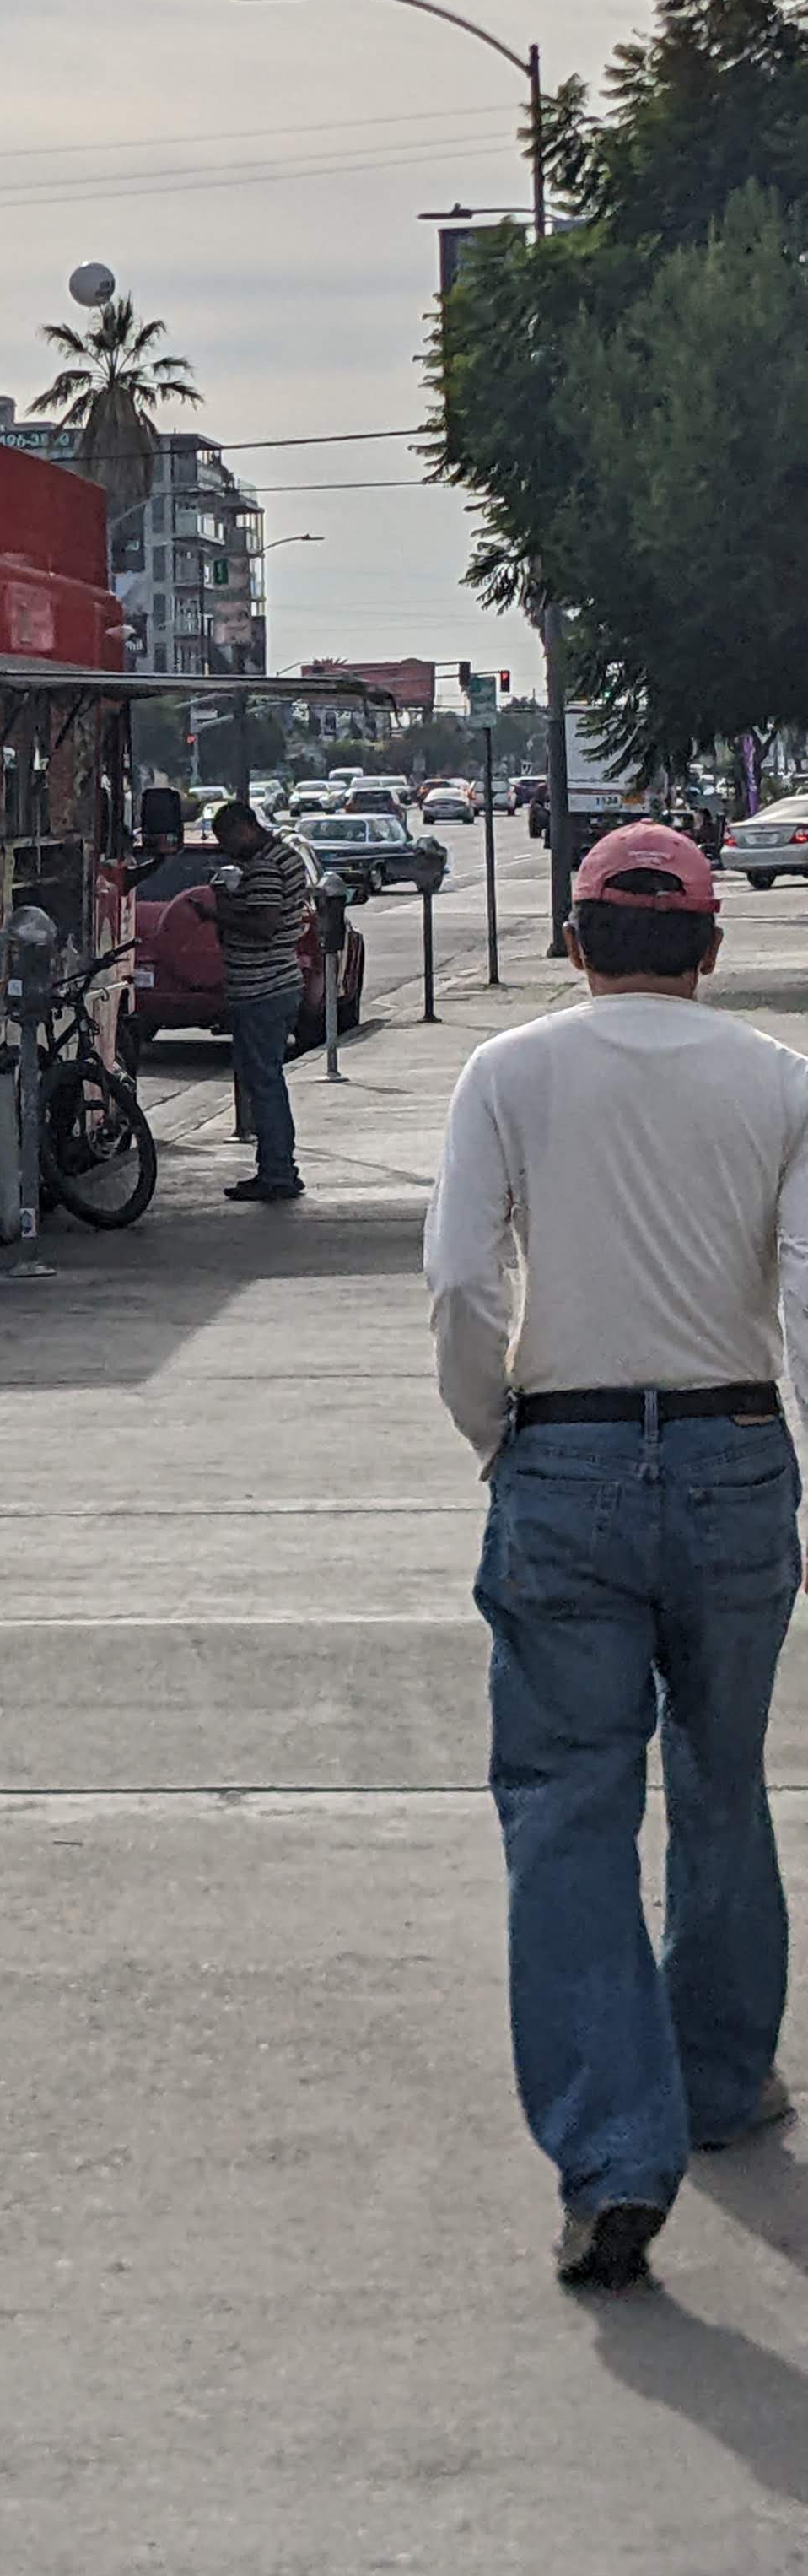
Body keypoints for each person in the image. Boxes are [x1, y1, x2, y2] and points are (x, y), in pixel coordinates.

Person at [424, 822, 808, 2290]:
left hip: (563, 1451)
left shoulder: (504, 1075)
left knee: (567, 1804)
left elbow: (462, 1280)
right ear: (707, 949)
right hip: (729, 1453)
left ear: (571, 942)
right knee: (720, 1775)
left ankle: (608, 2154)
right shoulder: (777, 1085)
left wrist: (492, 1430)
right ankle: (718, 2084)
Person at [207, 797, 310, 1203]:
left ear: (244, 828)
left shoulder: (265, 867)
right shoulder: (285, 856)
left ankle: (278, 1172)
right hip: (279, 984)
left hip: (262, 988)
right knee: (268, 1081)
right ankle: (279, 1166)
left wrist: (216, 914)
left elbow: (264, 925)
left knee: (264, 1084)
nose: (225, 848)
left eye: (226, 838)